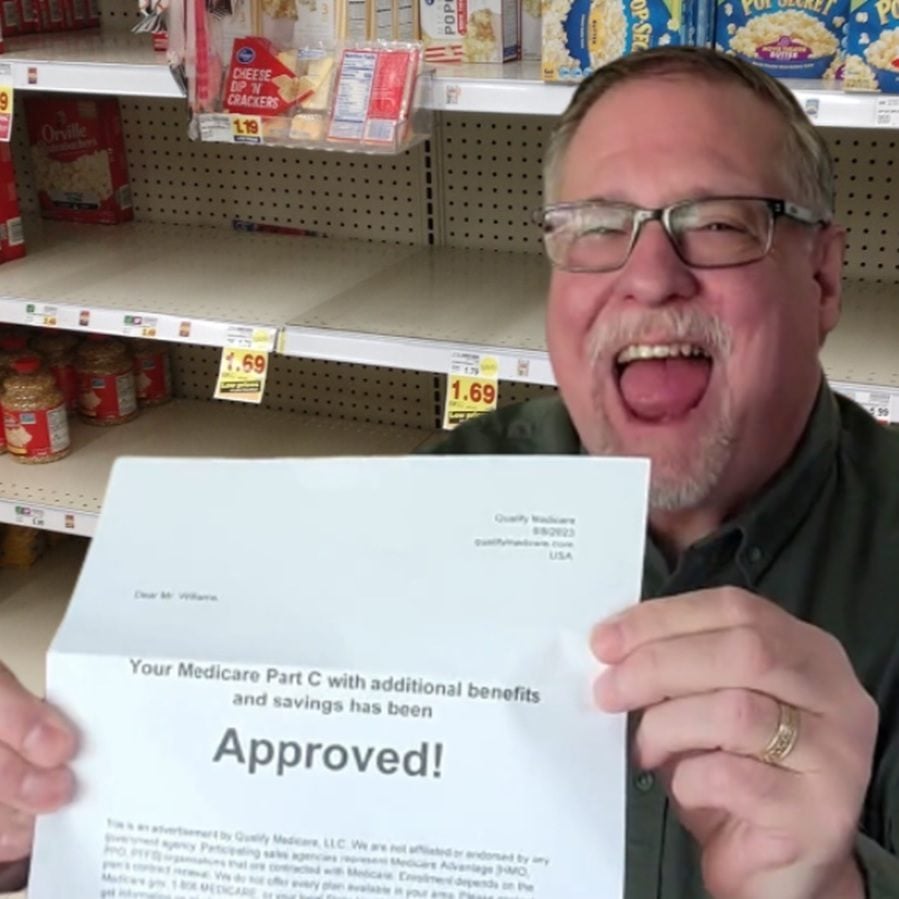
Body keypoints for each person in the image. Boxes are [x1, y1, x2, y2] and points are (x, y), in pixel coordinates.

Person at [0, 45, 898, 899]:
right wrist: (56, 816)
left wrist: (835, 887)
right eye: (596, 228)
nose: (649, 276)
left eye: (715, 223)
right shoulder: (437, 508)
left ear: (821, 279)